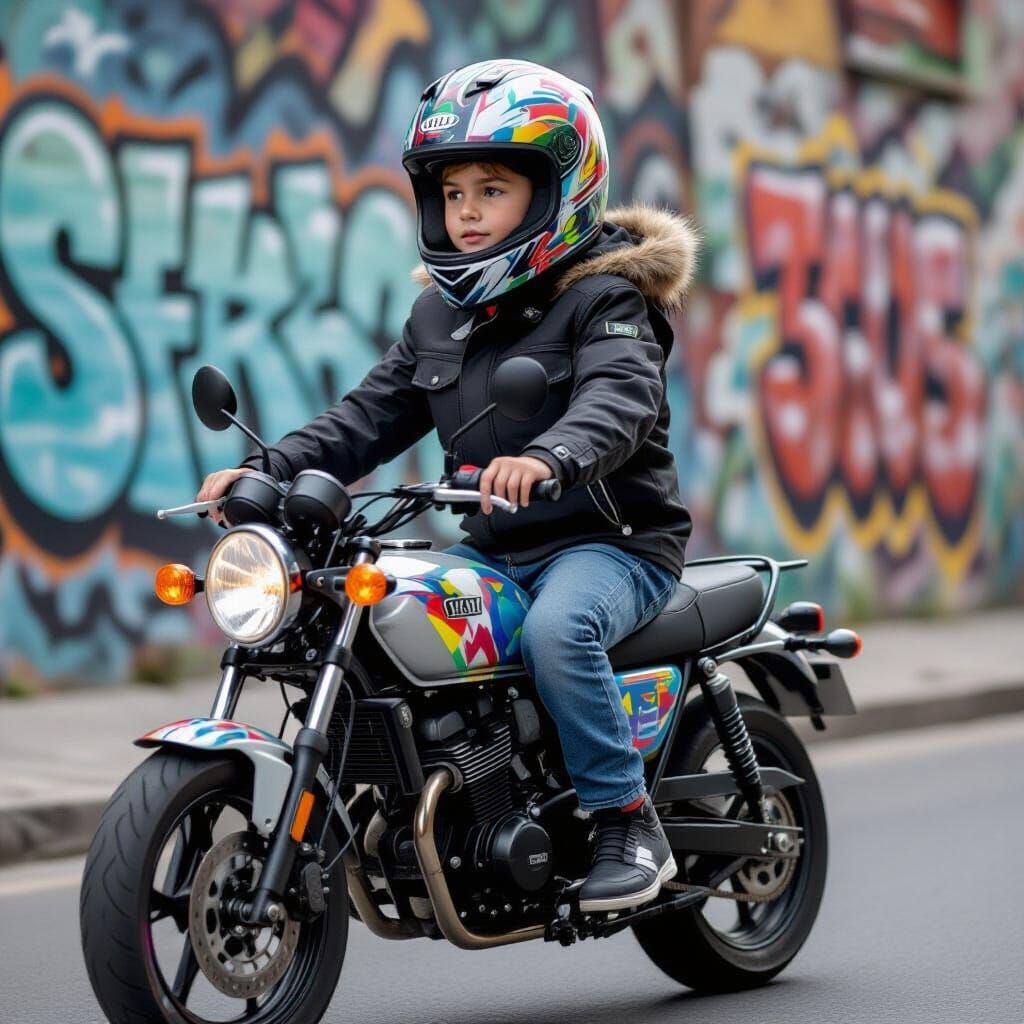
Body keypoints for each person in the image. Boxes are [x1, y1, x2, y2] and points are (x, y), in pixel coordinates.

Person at [197, 59, 698, 914]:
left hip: (612, 546)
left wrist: (551, 457)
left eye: (492, 190)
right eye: (452, 192)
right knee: (379, 615)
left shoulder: (607, 301)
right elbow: (367, 417)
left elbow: (619, 401)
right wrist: (266, 469)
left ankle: (627, 821)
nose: (467, 211)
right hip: (500, 548)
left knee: (557, 633)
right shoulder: (440, 317)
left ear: (556, 192)